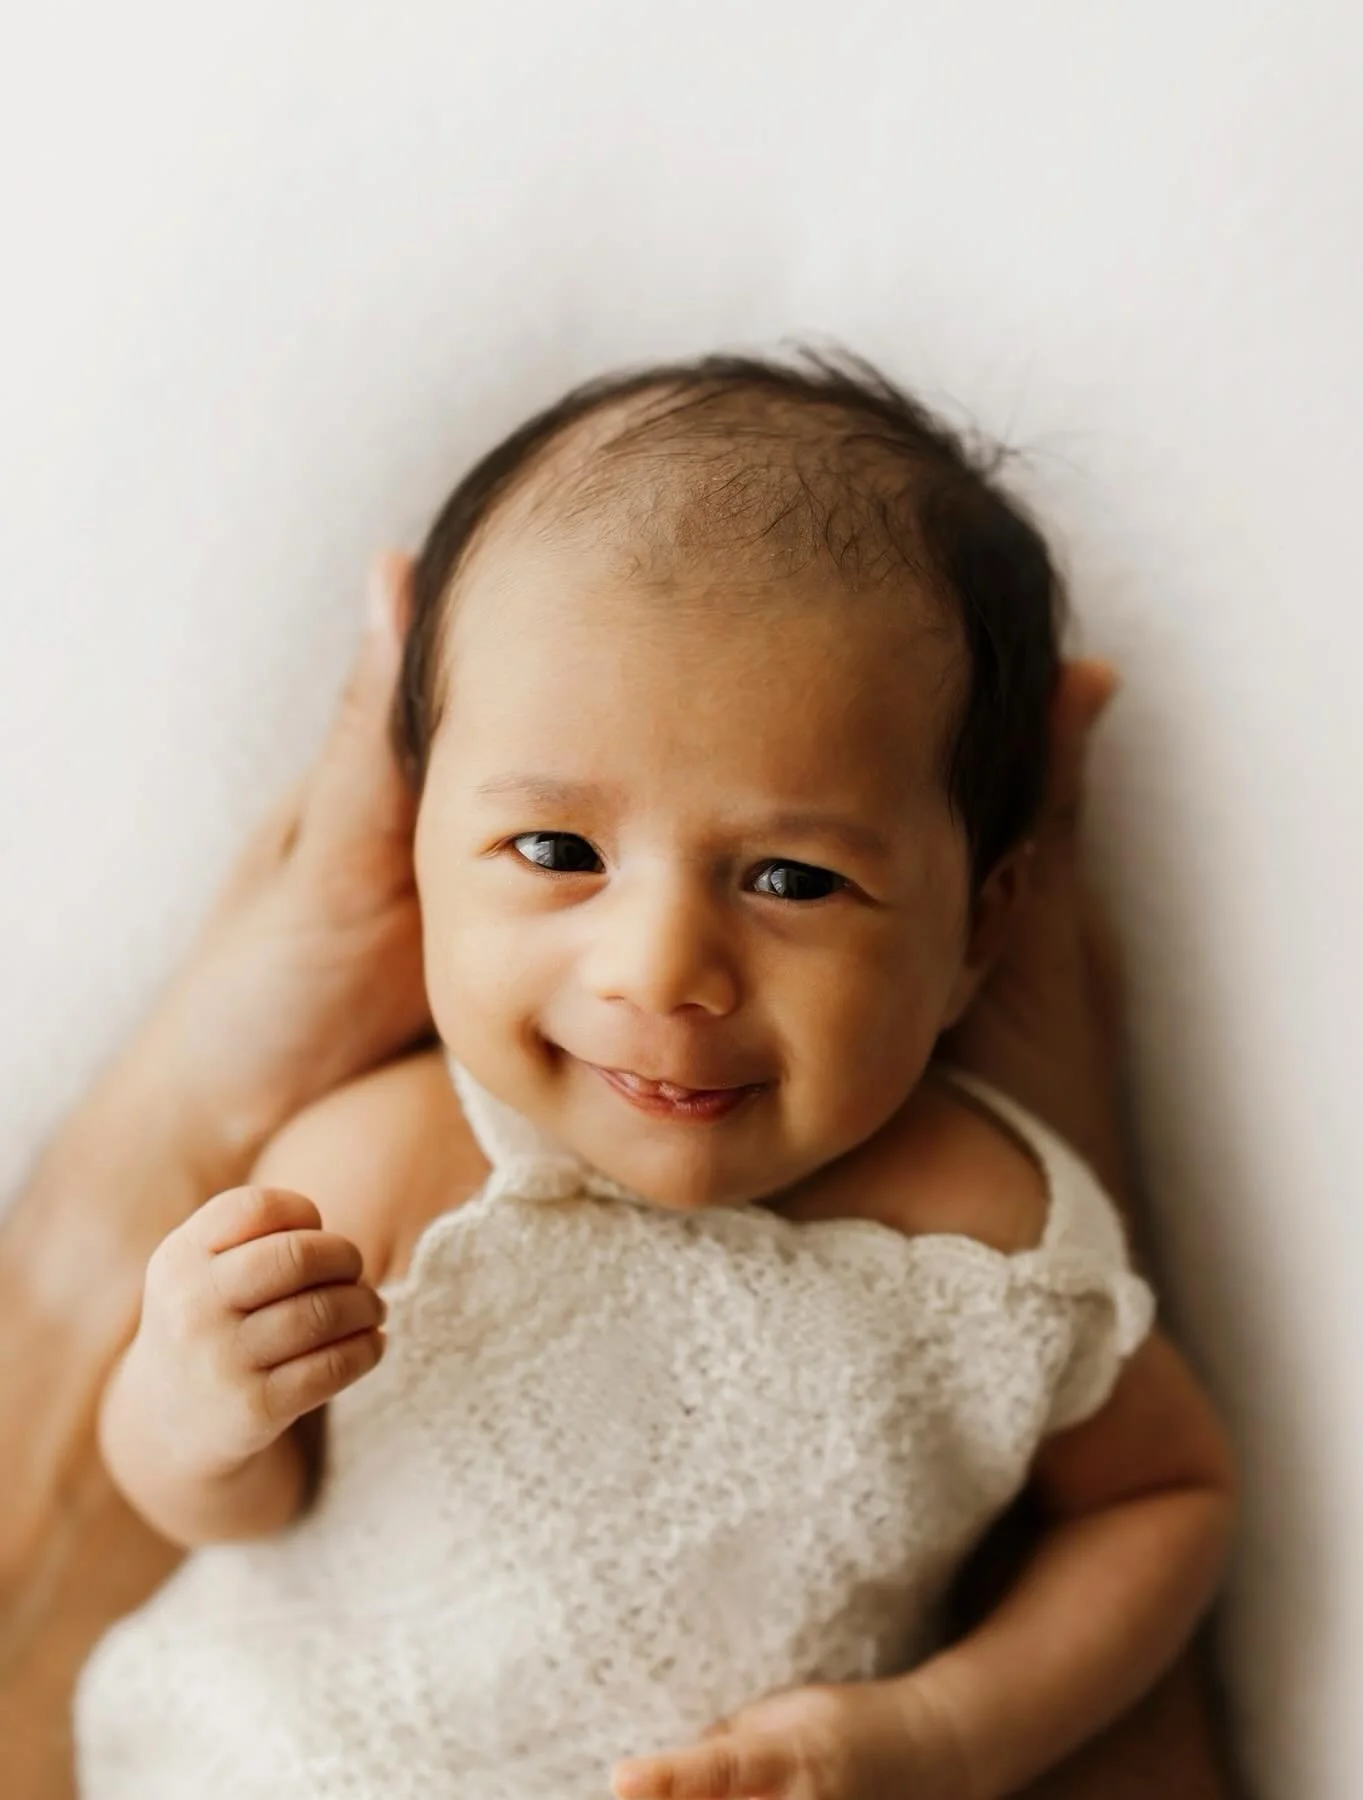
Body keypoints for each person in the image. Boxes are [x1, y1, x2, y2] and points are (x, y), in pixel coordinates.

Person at [0, 366, 1238, 1799]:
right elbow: (240, 1512)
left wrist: (949, 1732)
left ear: (982, 930)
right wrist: (189, 1404)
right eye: (556, 853)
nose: (658, 972)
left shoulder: (994, 1248)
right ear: (412, 837)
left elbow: (1166, 1500)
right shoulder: (385, 1173)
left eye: (792, 878)